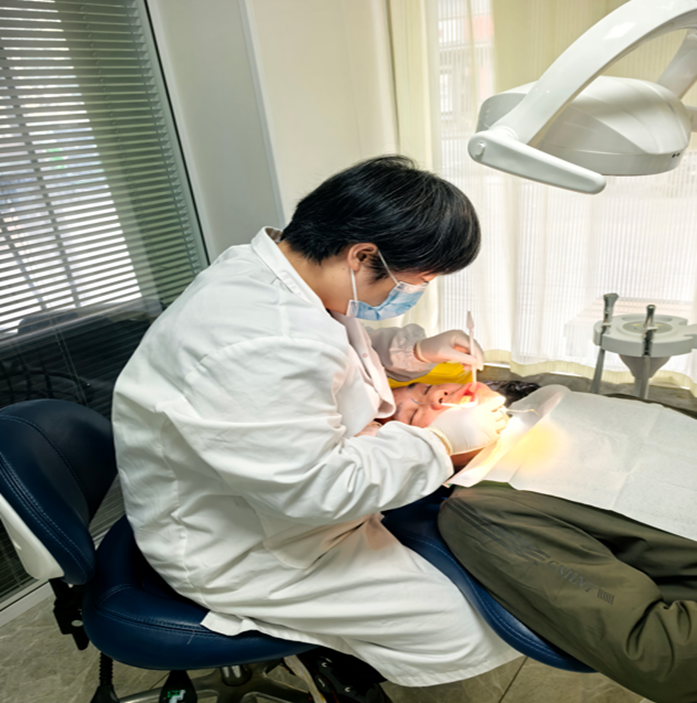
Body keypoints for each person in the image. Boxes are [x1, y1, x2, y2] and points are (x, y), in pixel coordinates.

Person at [112, 155, 517, 703]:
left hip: (260, 502)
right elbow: (316, 487)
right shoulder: (257, 340)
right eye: (418, 281)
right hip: (246, 547)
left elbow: (330, 345)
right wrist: (440, 440)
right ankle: (334, 656)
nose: (415, 292)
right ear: (363, 255)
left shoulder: (281, 272)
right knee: (467, 625)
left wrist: (415, 353)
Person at [436, 387, 697, 703]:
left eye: (421, 385)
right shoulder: (486, 511)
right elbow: (661, 656)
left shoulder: (569, 405)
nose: (441, 392)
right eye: (411, 412)